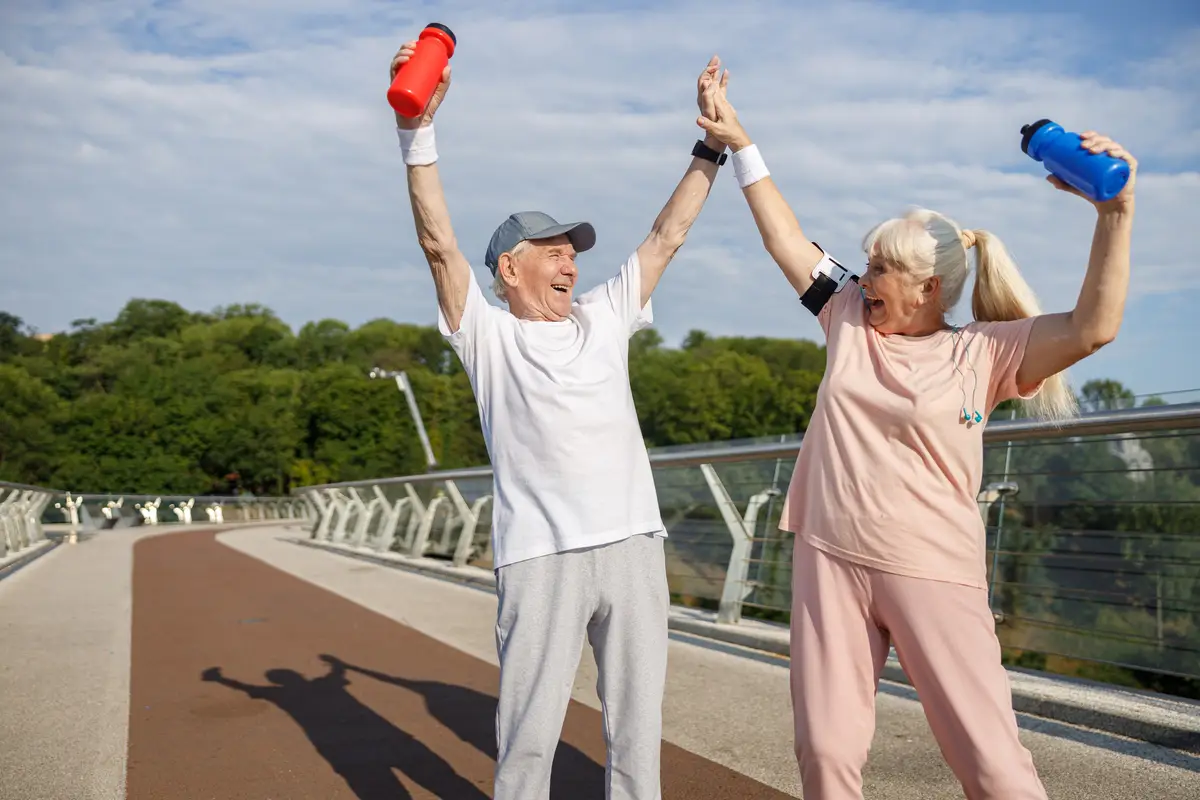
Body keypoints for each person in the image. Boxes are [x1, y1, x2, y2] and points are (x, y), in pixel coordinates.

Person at [695, 71, 1135, 799]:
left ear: (927, 289)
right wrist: (743, 144)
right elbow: (782, 236)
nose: (862, 277)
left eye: (877, 268)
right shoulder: (845, 315)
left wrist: (1114, 213)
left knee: (991, 765)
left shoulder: (984, 352)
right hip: (829, 558)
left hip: (932, 569)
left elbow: (1095, 327)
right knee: (825, 753)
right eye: (864, 266)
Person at [389, 39, 731, 800]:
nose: (571, 262)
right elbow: (439, 243)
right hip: (542, 558)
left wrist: (710, 147)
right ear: (510, 268)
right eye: (553, 251)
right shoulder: (487, 334)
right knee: (530, 735)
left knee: (638, 732)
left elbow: (667, 235)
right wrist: (418, 133)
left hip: (634, 544)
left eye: (573, 251)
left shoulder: (605, 316)